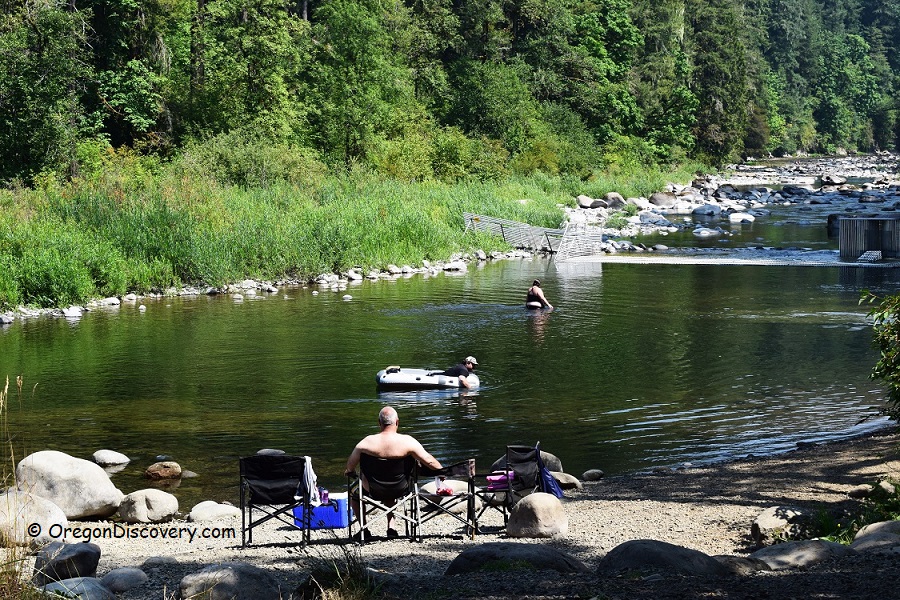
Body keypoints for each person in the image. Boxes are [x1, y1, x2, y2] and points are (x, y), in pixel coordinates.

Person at [345, 406, 441, 539]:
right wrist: (443, 472)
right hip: (400, 489)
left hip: (372, 489)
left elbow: (350, 467)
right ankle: (391, 528)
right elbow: (429, 461)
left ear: (379, 423)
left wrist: (350, 472)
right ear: (397, 422)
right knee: (391, 489)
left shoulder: (365, 443)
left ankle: (364, 529)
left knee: (354, 494)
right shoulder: (408, 442)